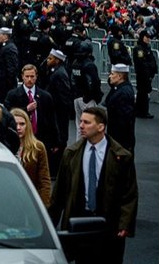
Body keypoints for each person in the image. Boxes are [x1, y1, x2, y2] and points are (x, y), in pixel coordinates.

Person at [50, 106, 138, 264]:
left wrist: (124, 224)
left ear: (101, 127)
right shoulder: (71, 154)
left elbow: (129, 193)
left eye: (86, 122)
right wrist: (49, 224)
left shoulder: (121, 156)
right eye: (81, 121)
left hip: (108, 223)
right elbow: (59, 193)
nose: (81, 126)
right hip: (80, 220)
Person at [5, 64, 58, 152]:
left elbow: (51, 120)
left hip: (41, 137)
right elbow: (8, 114)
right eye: (27, 76)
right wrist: (26, 109)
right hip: (20, 138)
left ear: (36, 77)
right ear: (22, 76)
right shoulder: (12, 95)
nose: (29, 79)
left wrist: (55, 141)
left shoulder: (45, 96)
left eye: (32, 76)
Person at [12, 107, 51, 206]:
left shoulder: (38, 147)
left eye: (22, 124)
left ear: (27, 125)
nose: (18, 128)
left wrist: (43, 206)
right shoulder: (3, 146)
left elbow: (44, 181)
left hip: (30, 201)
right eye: (15, 124)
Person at [103, 64, 137, 152]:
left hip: (120, 139)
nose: (110, 76)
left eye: (112, 74)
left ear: (119, 76)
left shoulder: (123, 93)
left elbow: (125, 120)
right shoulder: (118, 89)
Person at [132, 30, 158, 118]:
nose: (148, 39)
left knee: (144, 92)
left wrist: (153, 71)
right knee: (143, 93)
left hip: (147, 74)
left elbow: (151, 60)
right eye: (146, 37)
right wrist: (147, 73)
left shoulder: (147, 48)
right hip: (142, 74)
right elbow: (142, 63)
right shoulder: (139, 48)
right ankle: (143, 111)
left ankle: (140, 110)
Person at [0, 26, 20, 103]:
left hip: (5, 86)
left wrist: (9, 86)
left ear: (5, 36)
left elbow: (11, 69)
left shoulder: (9, 49)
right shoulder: (6, 47)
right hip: (2, 84)